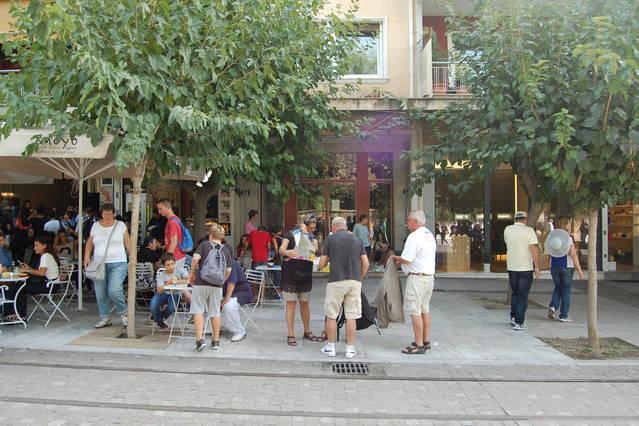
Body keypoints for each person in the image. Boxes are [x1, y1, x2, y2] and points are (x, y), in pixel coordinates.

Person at [318, 217, 369, 359]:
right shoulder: (357, 240)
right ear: (345, 227)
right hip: (354, 282)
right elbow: (366, 262)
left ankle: (330, 347)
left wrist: (321, 264)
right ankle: (350, 349)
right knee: (351, 316)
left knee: (331, 315)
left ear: (334, 227)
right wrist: (360, 277)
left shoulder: (331, 239)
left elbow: (322, 263)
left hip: (336, 281)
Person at [391, 211, 437, 355]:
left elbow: (408, 259)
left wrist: (395, 257)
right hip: (429, 277)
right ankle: (425, 340)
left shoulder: (414, 236)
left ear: (415, 221)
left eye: (409, 220)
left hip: (417, 278)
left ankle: (418, 344)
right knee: (424, 309)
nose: (407, 222)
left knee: (414, 311)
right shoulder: (429, 235)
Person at [84, 203, 130, 329]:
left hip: (118, 262)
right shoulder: (95, 226)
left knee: (114, 290)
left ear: (114, 214)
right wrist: (87, 256)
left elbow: (127, 242)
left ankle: (124, 314)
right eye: (105, 214)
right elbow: (89, 242)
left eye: (110, 214)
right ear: (101, 214)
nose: (108, 216)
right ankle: (105, 317)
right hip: (99, 264)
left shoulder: (120, 225)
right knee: (100, 292)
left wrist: (132, 257)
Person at [189, 223, 233, 351]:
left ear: (211, 235)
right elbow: (229, 270)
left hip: (201, 282)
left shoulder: (204, 245)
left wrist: (192, 274)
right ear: (222, 236)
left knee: (198, 311)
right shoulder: (226, 249)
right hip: (217, 285)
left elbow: (195, 259)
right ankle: (215, 341)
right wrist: (222, 280)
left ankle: (199, 340)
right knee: (215, 312)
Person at [279, 216, 320, 346]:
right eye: (310, 227)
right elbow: (281, 250)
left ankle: (307, 330)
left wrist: (306, 234)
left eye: (314, 228)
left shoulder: (312, 237)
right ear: (303, 225)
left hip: (305, 273)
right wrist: (287, 252)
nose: (312, 230)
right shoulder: (291, 235)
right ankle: (290, 334)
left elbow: (314, 250)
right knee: (291, 304)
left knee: (305, 303)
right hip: (290, 273)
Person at [3, 235, 59, 320]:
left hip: (50, 286)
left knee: (20, 287)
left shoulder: (45, 256)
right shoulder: (47, 255)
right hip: (50, 284)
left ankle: (18, 315)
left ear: (44, 246)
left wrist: (27, 270)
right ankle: (17, 314)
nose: (34, 248)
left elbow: (41, 273)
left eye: (36, 245)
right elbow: (41, 272)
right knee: (20, 286)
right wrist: (28, 268)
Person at [504, 211, 540, 331]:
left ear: (515, 219)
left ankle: (513, 317)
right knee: (523, 295)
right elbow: (533, 249)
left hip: (512, 266)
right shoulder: (529, 231)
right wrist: (537, 266)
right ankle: (519, 322)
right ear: (525, 219)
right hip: (525, 267)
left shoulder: (508, 229)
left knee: (515, 293)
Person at [546, 219, 584, 322]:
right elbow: (573, 254)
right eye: (567, 223)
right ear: (564, 225)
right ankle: (564, 315)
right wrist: (580, 271)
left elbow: (549, 253)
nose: (569, 225)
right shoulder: (568, 238)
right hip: (567, 266)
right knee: (566, 290)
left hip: (554, 266)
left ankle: (553, 306)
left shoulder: (551, 237)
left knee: (558, 287)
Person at [151, 253, 189, 330]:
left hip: (175, 293)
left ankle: (158, 318)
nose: (171, 266)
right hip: (163, 293)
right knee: (153, 304)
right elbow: (159, 290)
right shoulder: (161, 274)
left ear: (175, 263)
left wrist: (178, 281)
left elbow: (188, 280)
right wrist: (168, 283)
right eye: (168, 265)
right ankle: (160, 321)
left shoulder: (179, 270)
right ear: (164, 266)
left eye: (172, 264)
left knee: (171, 307)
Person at [221, 259, 254, 342]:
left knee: (228, 306)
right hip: (224, 293)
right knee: (209, 300)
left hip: (241, 292)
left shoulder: (231, 263)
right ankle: (213, 328)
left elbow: (231, 283)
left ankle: (239, 331)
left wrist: (226, 299)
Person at [157, 199, 187, 270]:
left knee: (172, 280)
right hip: (178, 255)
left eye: (161, 209)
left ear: (168, 207)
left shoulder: (172, 222)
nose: (159, 212)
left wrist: (166, 259)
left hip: (175, 257)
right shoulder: (176, 219)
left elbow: (174, 242)